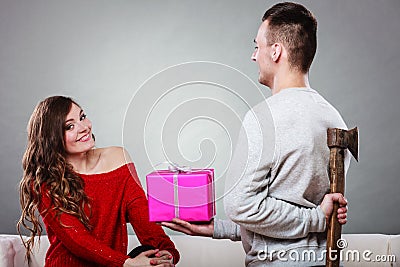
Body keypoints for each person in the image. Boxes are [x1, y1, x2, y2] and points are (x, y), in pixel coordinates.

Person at [162, 2, 351, 266]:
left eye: (257, 46)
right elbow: (299, 202)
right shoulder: (334, 118)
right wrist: (219, 229)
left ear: (275, 51)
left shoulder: (264, 118)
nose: (254, 56)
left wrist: (316, 219)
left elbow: (241, 205)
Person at [17, 96, 179, 267]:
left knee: (149, 253)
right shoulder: (45, 181)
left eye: (82, 117)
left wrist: (166, 252)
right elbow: (77, 240)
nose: (84, 128)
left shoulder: (118, 158)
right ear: (52, 138)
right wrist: (127, 263)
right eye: (70, 126)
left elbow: (142, 216)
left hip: (117, 264)